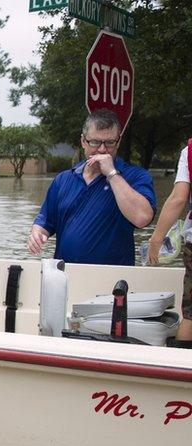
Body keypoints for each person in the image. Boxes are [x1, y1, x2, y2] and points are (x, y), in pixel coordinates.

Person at [28, 109, 155, 265]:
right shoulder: (63, 180)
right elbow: (45, 221)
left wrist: (112, 174)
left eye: (109, 142)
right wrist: (37, 232)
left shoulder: (135, 176)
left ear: (119, 141)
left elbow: (142, 218)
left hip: (113, 280)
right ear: (83, 141)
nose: (102, 149)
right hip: (66, 275)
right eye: (95, 142)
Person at [147, 139, 192, 346]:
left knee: (191, 317)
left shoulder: (190, 151)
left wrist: (156, 239)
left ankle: (181, 371)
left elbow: (178, 199)